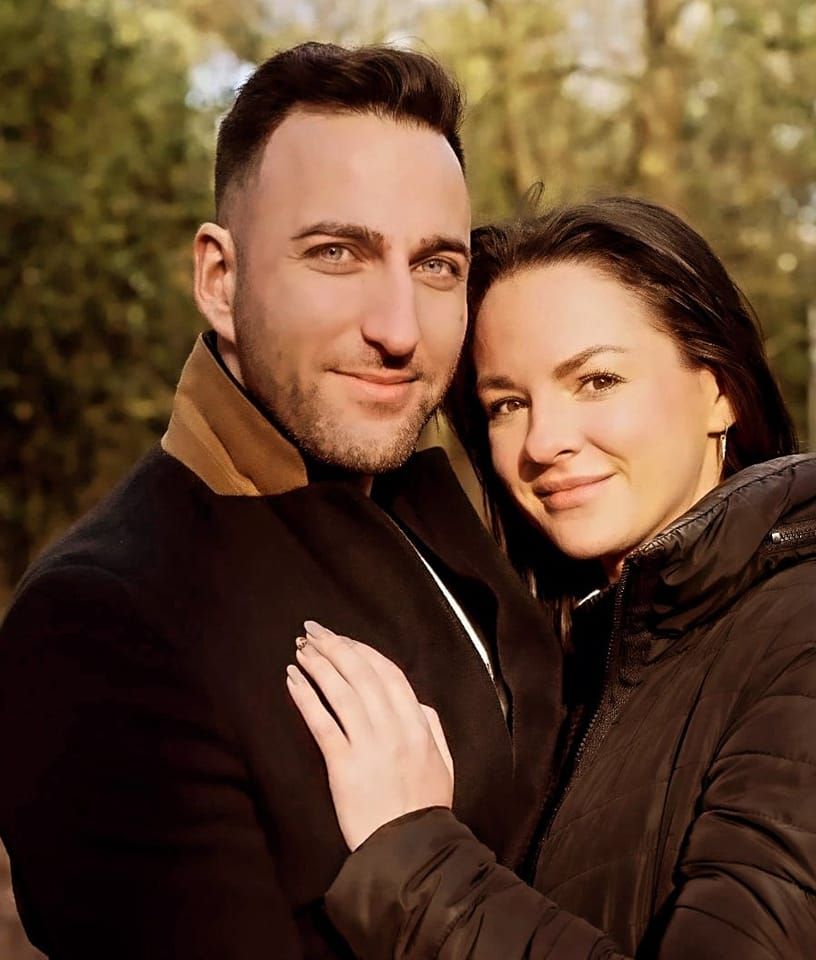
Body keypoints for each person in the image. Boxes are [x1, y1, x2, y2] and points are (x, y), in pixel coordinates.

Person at [0, 43, 565, 958]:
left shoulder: (450, 506)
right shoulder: (103, 622)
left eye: (435, 266)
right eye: (337, 253)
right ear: (219, 281)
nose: (397, 329)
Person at [288, 197, 816, 959]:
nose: (543, 441)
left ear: (719, 391)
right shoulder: (591, 647)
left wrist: (417, 859)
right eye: (507, 404)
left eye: (597, 380)